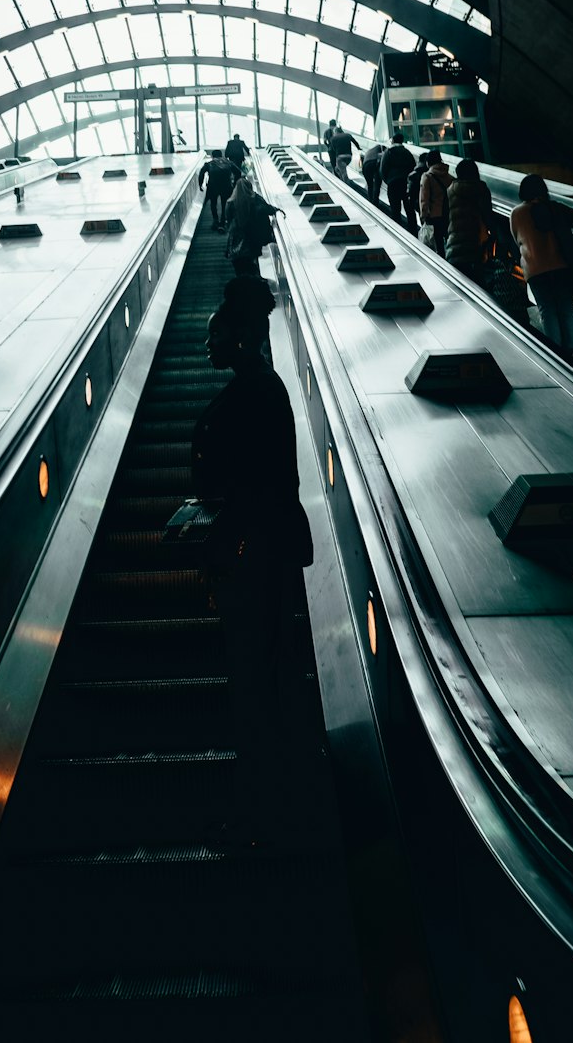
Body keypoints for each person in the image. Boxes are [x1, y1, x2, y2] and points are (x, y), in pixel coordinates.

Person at [192, 277, 313, 841]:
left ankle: (264, 805)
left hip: (253, 557)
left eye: (217, 334)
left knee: (254, 678)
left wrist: (220, 541)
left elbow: (251, 486)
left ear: (240, 334)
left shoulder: (253, 395)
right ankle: (275, 795)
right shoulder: (263, 388)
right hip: (266, 550)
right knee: (267, 672)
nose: (209, 344)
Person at [509, 174, 573, 360]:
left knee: (547, 310)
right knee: (567, 307)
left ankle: (555, 353)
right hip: (562, 267)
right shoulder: (555, 209)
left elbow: (516, 240)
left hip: (535, 269)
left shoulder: (516, 213)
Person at [225, 174, 284, 275]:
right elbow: (267, 209)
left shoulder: (230, 203)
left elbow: (228, 220)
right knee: (252, 264)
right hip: (253, 238)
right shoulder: (255, 199)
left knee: (239, 267)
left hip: (236, 239)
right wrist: (277, 210)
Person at [445, 158, 493, 280]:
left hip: (454, 248)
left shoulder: (450, 190)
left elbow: (445, 217)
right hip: (475, 247)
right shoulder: (481, 190)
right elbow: (487, 216)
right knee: (479, 287)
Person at [418, 149, 453, 255]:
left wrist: (423, 215)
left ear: (428, 162)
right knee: (448, 238)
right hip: (448, 214)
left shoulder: (427, 177)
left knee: (438, 244)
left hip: (435, 216)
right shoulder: (449, 177)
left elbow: (424, 198)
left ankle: (442, 264)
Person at [380, 133, 417, 232]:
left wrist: (388, 181)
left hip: (393, 183)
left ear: (392, 140)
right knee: (409, 210)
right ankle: (413, 232)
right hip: (406, 184)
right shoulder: (407, 152)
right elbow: (413, 167)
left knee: (395, 210)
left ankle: (399, 231)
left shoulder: (388, 152)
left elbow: (383, 169)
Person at [197, 149, 238, 231]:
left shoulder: (209, 164)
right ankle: (223, 221)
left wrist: (200, 184)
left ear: (212, 156)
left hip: (213, 186)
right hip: (226, 186)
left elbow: (201, 173)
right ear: (221, 155)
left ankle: (215, 220)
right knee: (224, 203)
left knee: (213, 203)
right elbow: (238, 172)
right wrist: (236, 184)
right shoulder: (228, 162)